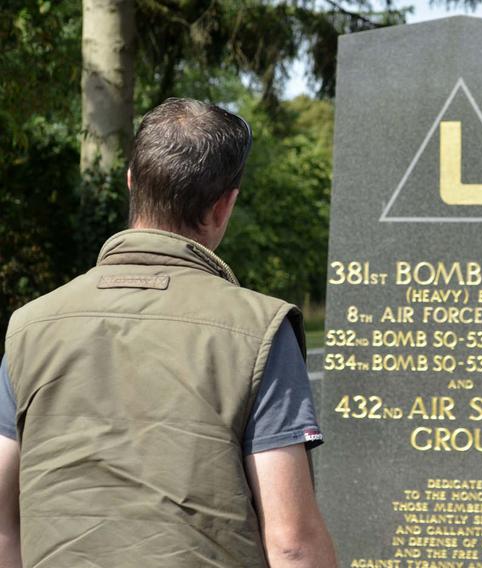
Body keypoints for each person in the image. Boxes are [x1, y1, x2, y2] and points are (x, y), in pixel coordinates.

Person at [0, 98, 337, 567]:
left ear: (132, 183)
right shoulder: (260, 330)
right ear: (224, 206)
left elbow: (3, 522)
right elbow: (292, 543)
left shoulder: (29, 327)